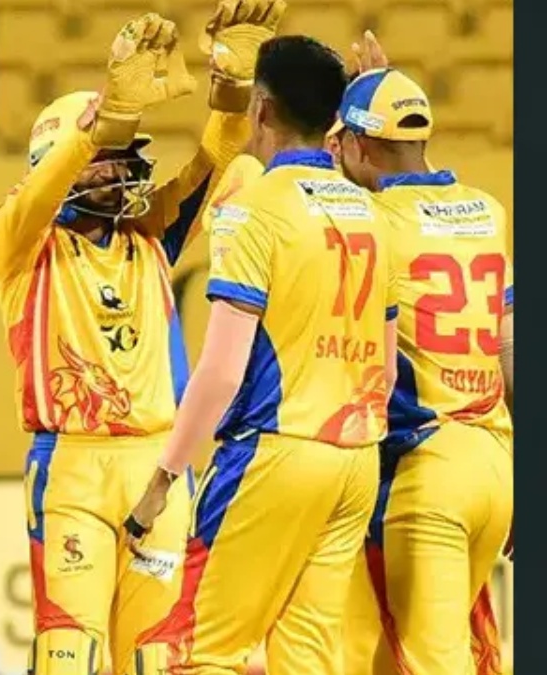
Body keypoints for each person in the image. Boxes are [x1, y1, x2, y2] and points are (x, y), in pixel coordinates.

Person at [0, 1, 285, 672]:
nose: (123, 173)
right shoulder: (19, 244)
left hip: (157, 465)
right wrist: (103, 122)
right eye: (106, 161)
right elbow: (40, 192)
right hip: (71, 468)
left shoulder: (152, 235)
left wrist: (234, 86)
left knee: (158, 655)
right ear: (61, 163)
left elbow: (216, 157)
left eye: (125, 160)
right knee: (70, 653)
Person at [123, 36, 392, 674]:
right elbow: (383, 358)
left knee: (200, 651)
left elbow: (220, 372)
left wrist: (162, 480)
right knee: (308, 659)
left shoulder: (254, 210)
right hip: (357, 458)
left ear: (261, 109)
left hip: (275, 452)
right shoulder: (371, 211)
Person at [329, 54, 514, 675]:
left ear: (356, 144)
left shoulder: (370, 221)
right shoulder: (487, 211)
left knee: (426, 662)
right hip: (493, 465)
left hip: (425, 471)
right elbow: (511, 346)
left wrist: (343, 116)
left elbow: (300, 185)